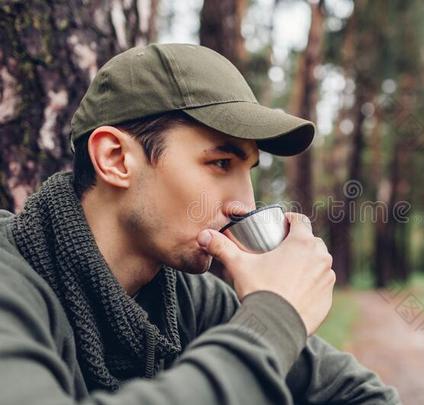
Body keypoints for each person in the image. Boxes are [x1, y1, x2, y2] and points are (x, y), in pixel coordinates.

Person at [0, 43, 401, 404]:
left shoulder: (188, 300)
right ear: (116, 159)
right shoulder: (11, 282)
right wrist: (272, 320)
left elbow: (364, 396)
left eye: (249, 170)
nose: (245, 204)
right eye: (220, 163)